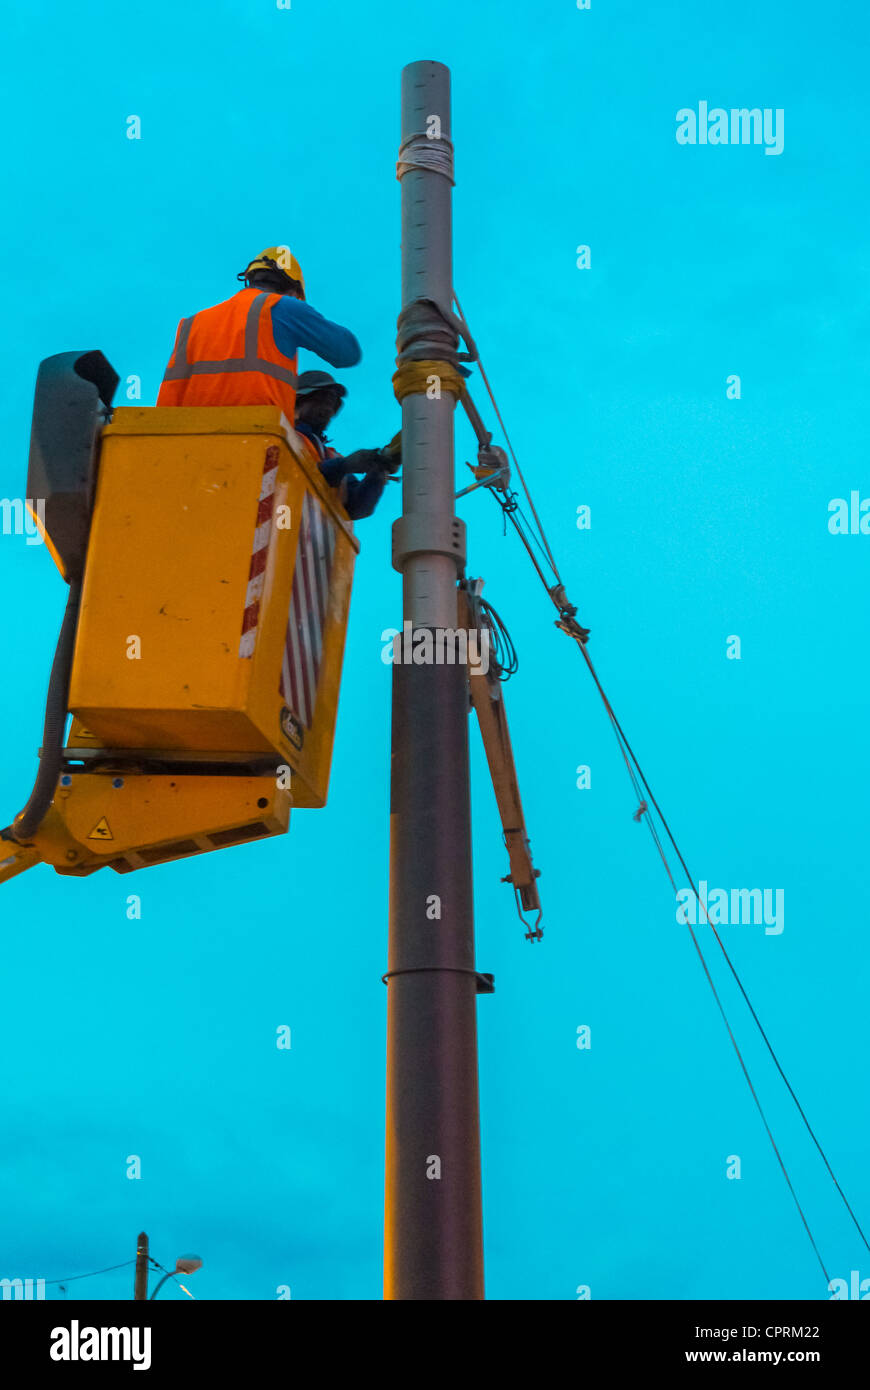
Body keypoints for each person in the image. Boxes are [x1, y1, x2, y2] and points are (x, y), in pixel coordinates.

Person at [157, 246, 361, 419]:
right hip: (256, 442)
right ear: (292, 292)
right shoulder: (283, 308)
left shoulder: (193, 323)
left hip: (190, 446)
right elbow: (347, 353)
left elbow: (169, 397)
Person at [293, 370, 399, 520]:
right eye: (320, 399)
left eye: (331, 403)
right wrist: (342, 466)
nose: (327, 410)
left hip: (310, 539)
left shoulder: (331, 456)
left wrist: (378, 471)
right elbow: (293, 478)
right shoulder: (286, 437)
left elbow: (357, 508)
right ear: (298, 401)